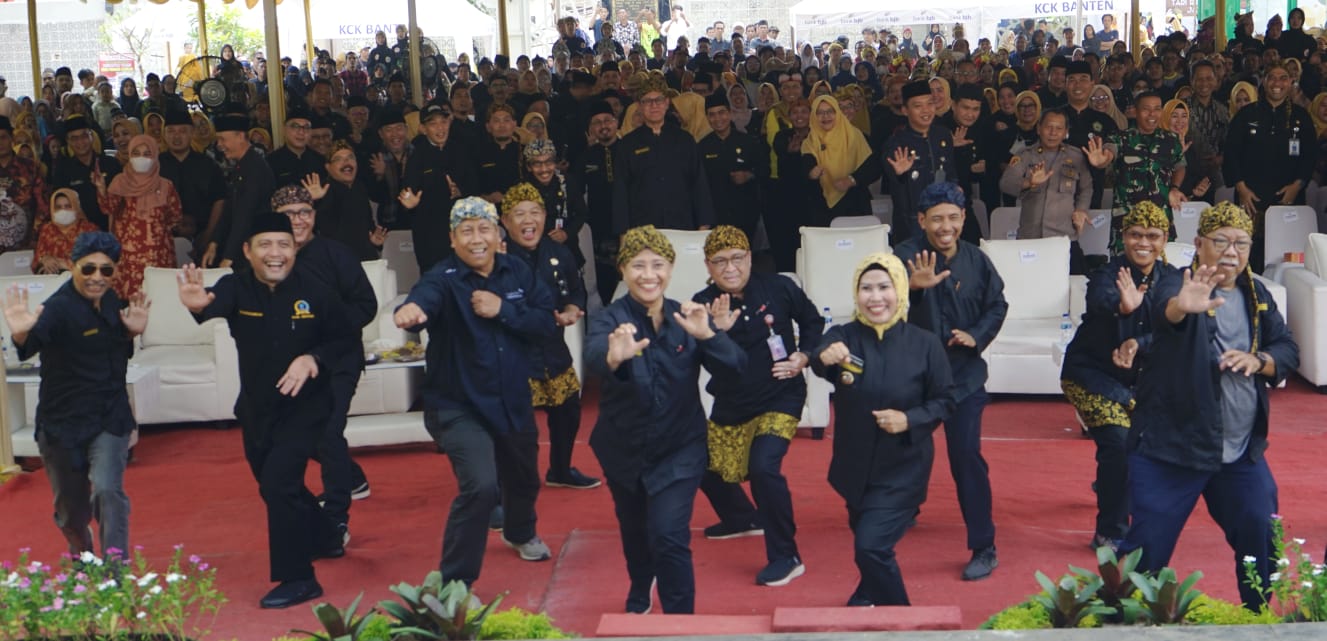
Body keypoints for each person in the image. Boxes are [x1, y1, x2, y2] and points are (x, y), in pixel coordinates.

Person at [1120, 202, 1298, 609]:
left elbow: (1287, 348)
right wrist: (1182, 307)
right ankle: (1123, 624)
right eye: (1221, 241)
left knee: (1261, 534)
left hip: (1238, 452)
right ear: (1199, 244)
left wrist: (1260, 360)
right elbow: (1166, 310)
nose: (1231, 251)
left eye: (1241, 243)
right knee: (1145, 551)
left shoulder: (1257, 294)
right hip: (1172, 449)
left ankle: (1256, 617)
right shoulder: (1175, 282)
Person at [179, 213, 358, 608]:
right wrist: (197, 306)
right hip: (256, 410)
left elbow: (346, 339)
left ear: (295, 249)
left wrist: (313, 358)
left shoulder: (317, 291)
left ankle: (299, 578)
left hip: (308, 407)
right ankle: (326, 536)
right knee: (275, 485)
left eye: (283, 244)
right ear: (248, 251)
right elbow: (211, 304)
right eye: (265, 244)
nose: (275, 253)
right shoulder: (236, 287)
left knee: (279, 484)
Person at [393, 197, 557, 587]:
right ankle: (455, 584)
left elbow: (544, 323)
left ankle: (519, 532)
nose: (476, 238)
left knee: (524, 478)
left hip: (512, 398)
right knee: (481, 487)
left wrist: (503, 309)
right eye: (466, 231)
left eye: (484, 229)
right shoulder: (442, 277)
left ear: (498, 235)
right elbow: (423, 298)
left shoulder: (518, 271)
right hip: (457, 404)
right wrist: (412, 312)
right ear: (453, 239)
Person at [587, 225, 746, 614]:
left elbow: (737, 369)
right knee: (635, 529)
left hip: (680, 448)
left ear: (671, 269)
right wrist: (613, 356)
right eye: (638, 265)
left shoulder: (687, 316)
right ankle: (642, 583)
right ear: (623, 269)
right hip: (623, 449)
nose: (648, 275)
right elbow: (593, 355)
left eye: (657, 265)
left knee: (669, 536)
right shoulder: (610, 319)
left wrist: (709, 336)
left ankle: (680, 622)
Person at [809, 251, 956, 605]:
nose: (875, 297)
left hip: (903, 469)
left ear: (900, 290)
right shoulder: (844, 336)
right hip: (854, 468)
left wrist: (910, 419)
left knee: (871, 546)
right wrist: (823, 356)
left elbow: (946, 400)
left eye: (884, 287)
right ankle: (868, 593)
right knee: (864, 536)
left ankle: (903, 620)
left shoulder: (925, 344)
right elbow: (821, 356)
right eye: (866, 288)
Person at [4, 232, 149, 559]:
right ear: (72, 266)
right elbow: (31, 345)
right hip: (63, 424)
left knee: (108, 491)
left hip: (109, 418)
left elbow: (114, 352)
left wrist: (130, 333)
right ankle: (82, 554)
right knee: (71, 512)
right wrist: (21, 333)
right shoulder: (57, 308)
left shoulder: (112, 301)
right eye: (89, 268)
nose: (97, 277)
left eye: (106, 270)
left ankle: (115, 571)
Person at [693, 225, 822, 586]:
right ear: (708, 265)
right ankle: (741, 518)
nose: (730, 267)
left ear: (750, 258)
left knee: (764, 468)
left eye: (737, 258)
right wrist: (716, 333)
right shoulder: (702, 304)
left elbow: (812, 321)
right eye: (720, 261)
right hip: (732, 401)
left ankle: (786, 555)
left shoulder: (779, 287)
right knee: (698, 460)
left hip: (781, 395)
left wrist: (804, 356)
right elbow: (700, 362)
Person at [894, 182, 1006, 581]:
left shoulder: (978, 261)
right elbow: (878, 306)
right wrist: (911, 289)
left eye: (953, 218)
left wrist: (977, 334)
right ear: (921, 220)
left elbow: (998, 305)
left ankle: (984, 546)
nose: (946, 227)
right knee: (904, 448)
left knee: (966, 457)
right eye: (937, 219)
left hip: (964, 377)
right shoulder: (901, 258)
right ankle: (905, 506)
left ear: (963, 219)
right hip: (914, 377)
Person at [1061, 201, 1177, 550]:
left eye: (1152, 236)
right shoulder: (1106, 274)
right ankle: (1110, 532)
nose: (1144, 243)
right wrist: (1122, 307)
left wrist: (1138, 342)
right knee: (1118, 442)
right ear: (1123, 237)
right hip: (1091, 375)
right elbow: (1100, 300)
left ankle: (1110, 481)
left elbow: (1177, 330)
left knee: (1135, 453)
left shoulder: (1172, 280)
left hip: (1143, 382)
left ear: (1164, 239)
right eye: (1135, 234)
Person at [270, 184, 378, 539]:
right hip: (289, 364)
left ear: (314, 215)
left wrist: (328, 328)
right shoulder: (269, 257)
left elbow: (366, 305)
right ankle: (353, 477)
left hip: (338, 358)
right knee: (296, 433)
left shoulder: (336, 254)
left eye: (305, 212)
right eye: (288, 214)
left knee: (328, 430)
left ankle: (335, 518)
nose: (298, 220)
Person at [499, 183, 598, 489]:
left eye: (535, 212)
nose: (529, 220)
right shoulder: (497, 257)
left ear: (544, 216)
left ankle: (561, 470)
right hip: (514, 355)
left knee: (568, 411)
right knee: (517, 425)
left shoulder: (559, 252)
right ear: (505, 221)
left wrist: (571, 309)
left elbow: (575, 291)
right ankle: (511, 481)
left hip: (553, 348)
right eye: (519, 214)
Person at [1223, 62, 1315, 272]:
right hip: (1250, 198)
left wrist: (1297, 186)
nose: (1277, 83)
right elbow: (1231, 154)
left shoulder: (1301, 117)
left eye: (1283, 78)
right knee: (1246, 255)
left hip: (1288, 197)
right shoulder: (1246, 115)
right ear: (1264, 82)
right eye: (1272, 77)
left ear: (1291, 82)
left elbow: (1309, 156)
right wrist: (1241, 189)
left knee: (1287, 258)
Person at [613, 73, 714, 234]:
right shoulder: (627, 144)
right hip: (642, 230)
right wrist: (623, 233)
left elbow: (699, 184)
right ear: (639, 106)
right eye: (647, 101)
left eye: (658, 100)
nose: (654, 105)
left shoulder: (685, 140)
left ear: (667, 103)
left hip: (681, 226)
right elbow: (620, 192)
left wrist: (704, 225)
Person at [1085, 92, 1186, 250]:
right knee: (1123, 264)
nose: (1152, 114)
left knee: (1163, 262)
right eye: (1146, 109)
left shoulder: (1171, 139)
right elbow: (1108, 154)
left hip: (1160, 219)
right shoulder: (1120, 138)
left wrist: (1175, 188)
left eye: (1157, 109)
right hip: (1127, 221)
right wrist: (1100, 162)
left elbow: (1180, 166)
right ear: (1136, 111)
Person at [999, 110, 1093, 272]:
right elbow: (1005, 184)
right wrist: (1029, 182)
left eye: (1059, 128)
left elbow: (1086, 187)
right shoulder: (1025, 155)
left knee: (1074, 281)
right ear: (1038, 128)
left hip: (1064, 236)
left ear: (1066, 132)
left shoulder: (1076, 156)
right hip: (1031, 236)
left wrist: (1081, 209)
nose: (1053, 133)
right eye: (1049, 127)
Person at [94, 134, 181, 298]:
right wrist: (101, 189)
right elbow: (108, 208)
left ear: (155, 155)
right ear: (129, 155)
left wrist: (155, 231)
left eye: (147, 154)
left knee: (160, 299)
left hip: (159, 254)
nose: (141, 158)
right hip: (128, 257)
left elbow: (175, 216)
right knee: (130, 301)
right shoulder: (120, 182)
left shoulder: (165, 185)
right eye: (136, 153)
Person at [398, 102, 477, 273]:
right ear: (423, 128)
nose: (440, 128)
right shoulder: (416, 156)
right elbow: (407, 193)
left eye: (443, 122)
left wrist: (461, 191)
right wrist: (410, 204)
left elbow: (475, 186)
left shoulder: (461, 150)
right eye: (433, 124)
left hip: (460, 232)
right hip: (429, 236)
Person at [882, 80, 957, 243]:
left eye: (930, 103)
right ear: (905, 110)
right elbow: (894, 184)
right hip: (911, 223)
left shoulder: (943, 135)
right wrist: (900, 174)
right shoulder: (897, 142)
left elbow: (950, 172)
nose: (926, 110)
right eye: (918, 106)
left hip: (942, 218)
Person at [205, 110, 274, 268]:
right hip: (241, 248)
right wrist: (214, 243)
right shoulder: (241, 166)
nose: (219, 145)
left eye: (223, 139)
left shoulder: (255, 168)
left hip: (254, 250)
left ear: (241, 137)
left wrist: (229, 256)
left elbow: (245, 215)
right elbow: (229, 210)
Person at [802, 95, 880, 226]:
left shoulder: (855, 135)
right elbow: (807, 163)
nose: (825, 116)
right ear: (813, 116)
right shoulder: (810, 141)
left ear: (837, 113)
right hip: (822, 206)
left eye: (830, 111)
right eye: (820, 112)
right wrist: (811, 172)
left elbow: (873, 167)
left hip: (855, 202)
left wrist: (852, 180)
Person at [698, 93, 765, 241]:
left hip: (745, 214)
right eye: (712, 115)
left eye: (721, 112)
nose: (717, 119)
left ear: (729, 113)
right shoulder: (702, 147)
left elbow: (763, 170)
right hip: (716, 216)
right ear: (707, 118)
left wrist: (748, 175)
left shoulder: (748, 142)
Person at [158, 108, 225, 257]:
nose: (176, 136)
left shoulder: (208, 164)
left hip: (202, 237)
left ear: (192, 133)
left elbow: (219, 200)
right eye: (171, 131)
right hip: (162, 239)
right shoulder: (156, 165)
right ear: (164, 134)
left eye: (182, 131)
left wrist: (208, 234)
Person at [304, 141, 385, 262]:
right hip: (335, 260)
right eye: (338, 159)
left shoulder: (360, 187)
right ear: (328, 167)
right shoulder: (324, 190)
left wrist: (374, 241)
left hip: (366, 258)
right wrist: (314, 201)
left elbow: (368, 223)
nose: (346, 162)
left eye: (350, 157)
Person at [52, 115, 117, 231]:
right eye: (74, 138)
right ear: (68, 141)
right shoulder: (63, 170)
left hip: (112, 229)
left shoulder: (110, 164)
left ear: (92, 136)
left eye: (84, 136)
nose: (80, 142)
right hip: (79, 233)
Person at [0, 115, 49, 249]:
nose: (0, 142)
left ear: (12, 138)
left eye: (3, 137)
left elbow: (42, 206)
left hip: (26, 245)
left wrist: (34, 239)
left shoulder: (30, 168)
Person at [34, 189, 100, 274]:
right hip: (52, 277)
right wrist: (44, 259)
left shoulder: (89, 229)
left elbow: (97, 261)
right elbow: (37, 259)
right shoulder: (47, 229)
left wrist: (66, 264)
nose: (63, 210)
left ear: (75, 206)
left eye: (67, 206)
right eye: (58, 207)